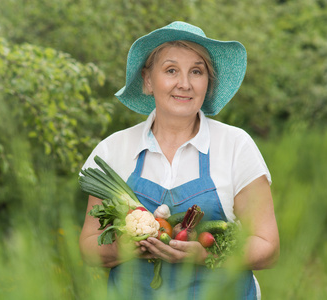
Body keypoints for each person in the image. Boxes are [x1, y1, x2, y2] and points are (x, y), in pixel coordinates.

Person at [79, 21, 279, 300]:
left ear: (207, 84)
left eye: (196, 71)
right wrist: (123, 248)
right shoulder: (113, 150)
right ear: (148, 80)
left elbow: (267, 247)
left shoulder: (236, 146)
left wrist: (206, 254)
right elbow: (89, 246)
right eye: (171, 70)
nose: (184, 84)